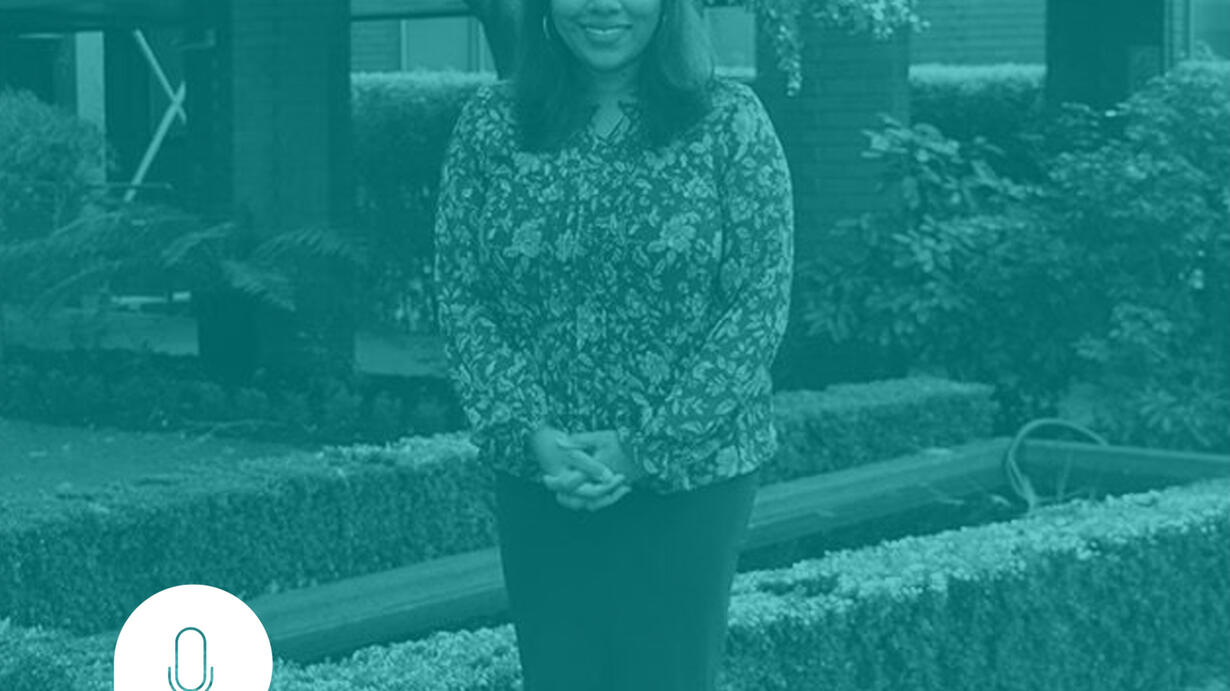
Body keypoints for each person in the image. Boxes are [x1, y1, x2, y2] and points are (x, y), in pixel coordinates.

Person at [432, 0, 795, 684]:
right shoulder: (490, 123)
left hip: (692, 478)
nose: (603, 5)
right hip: (545, 472)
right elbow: (461, 293)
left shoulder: (729, 120)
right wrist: (531, 432)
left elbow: (758, 304)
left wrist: (644, 449)